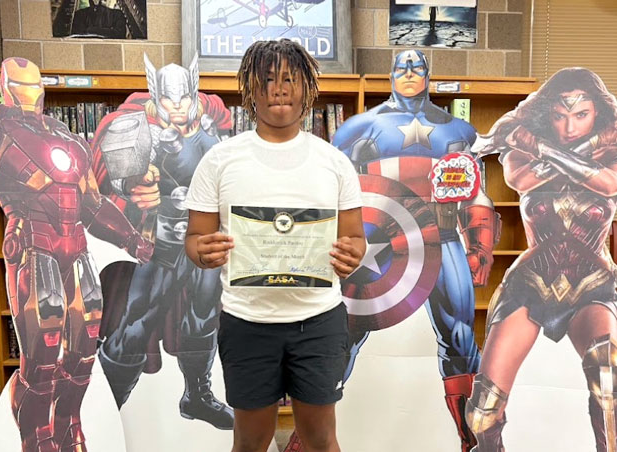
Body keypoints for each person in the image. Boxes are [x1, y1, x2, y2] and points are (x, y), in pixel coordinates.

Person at [0, 26, 153, 452]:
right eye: (21, 86)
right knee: (42, 358)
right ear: (6, 88)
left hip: (75, 250)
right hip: (32, 246)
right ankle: (36, 435)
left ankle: (67, 426)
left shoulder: (68, 139)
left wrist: (134, 240)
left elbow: (92, 205)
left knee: (83, 353)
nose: (29, 94)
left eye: (34, 87)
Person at [291, 49, 497, 452]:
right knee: (343, 335)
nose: (409, 72)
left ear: (429, 74)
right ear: (390, 73)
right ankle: (308, 437)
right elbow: (335, 194)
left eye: (417, 66)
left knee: (460, 337)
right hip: (379, 239)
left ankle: (472, 437)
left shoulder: (459, 130)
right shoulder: (358, 128)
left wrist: (480, 244)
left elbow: (476, 191)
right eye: (402, 65)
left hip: (442, 235)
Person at [184, 39, 365, 452]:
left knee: (320, 439)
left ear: (307, 88)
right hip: (247, 322)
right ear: (250, 88)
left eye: (289, 79)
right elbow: (194, 239)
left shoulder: (334, 162)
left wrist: (353, 253)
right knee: (251, 441)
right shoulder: (220, 160)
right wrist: (202, 251)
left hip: (318, 321)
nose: (279, 89)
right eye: (267, 79)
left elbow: (355, 238)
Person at [466, 68, 617, 451]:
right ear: (547, 113)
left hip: (593, 283)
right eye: (559, 115)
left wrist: (544, 148)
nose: (569, 126)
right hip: (531, 281)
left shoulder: (612, 155)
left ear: (598, 113)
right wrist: (537, 146)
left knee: (608, 383)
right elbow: (522, 180)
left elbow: (608, 184)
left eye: (581, 114)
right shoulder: (520, 154)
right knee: (481, 412)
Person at [91, 54, 235, 429]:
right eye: (169, 100)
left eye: (184, 98)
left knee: (204, 315)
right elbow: (114, 175)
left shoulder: (212, 120)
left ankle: (197, 396)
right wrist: (135, 186)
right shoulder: (141, 124)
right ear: (156, 95)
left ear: (194, 92)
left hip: (207, 240)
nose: (177, 106)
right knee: (138, 319)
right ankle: (104, 409)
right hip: (161, 239)